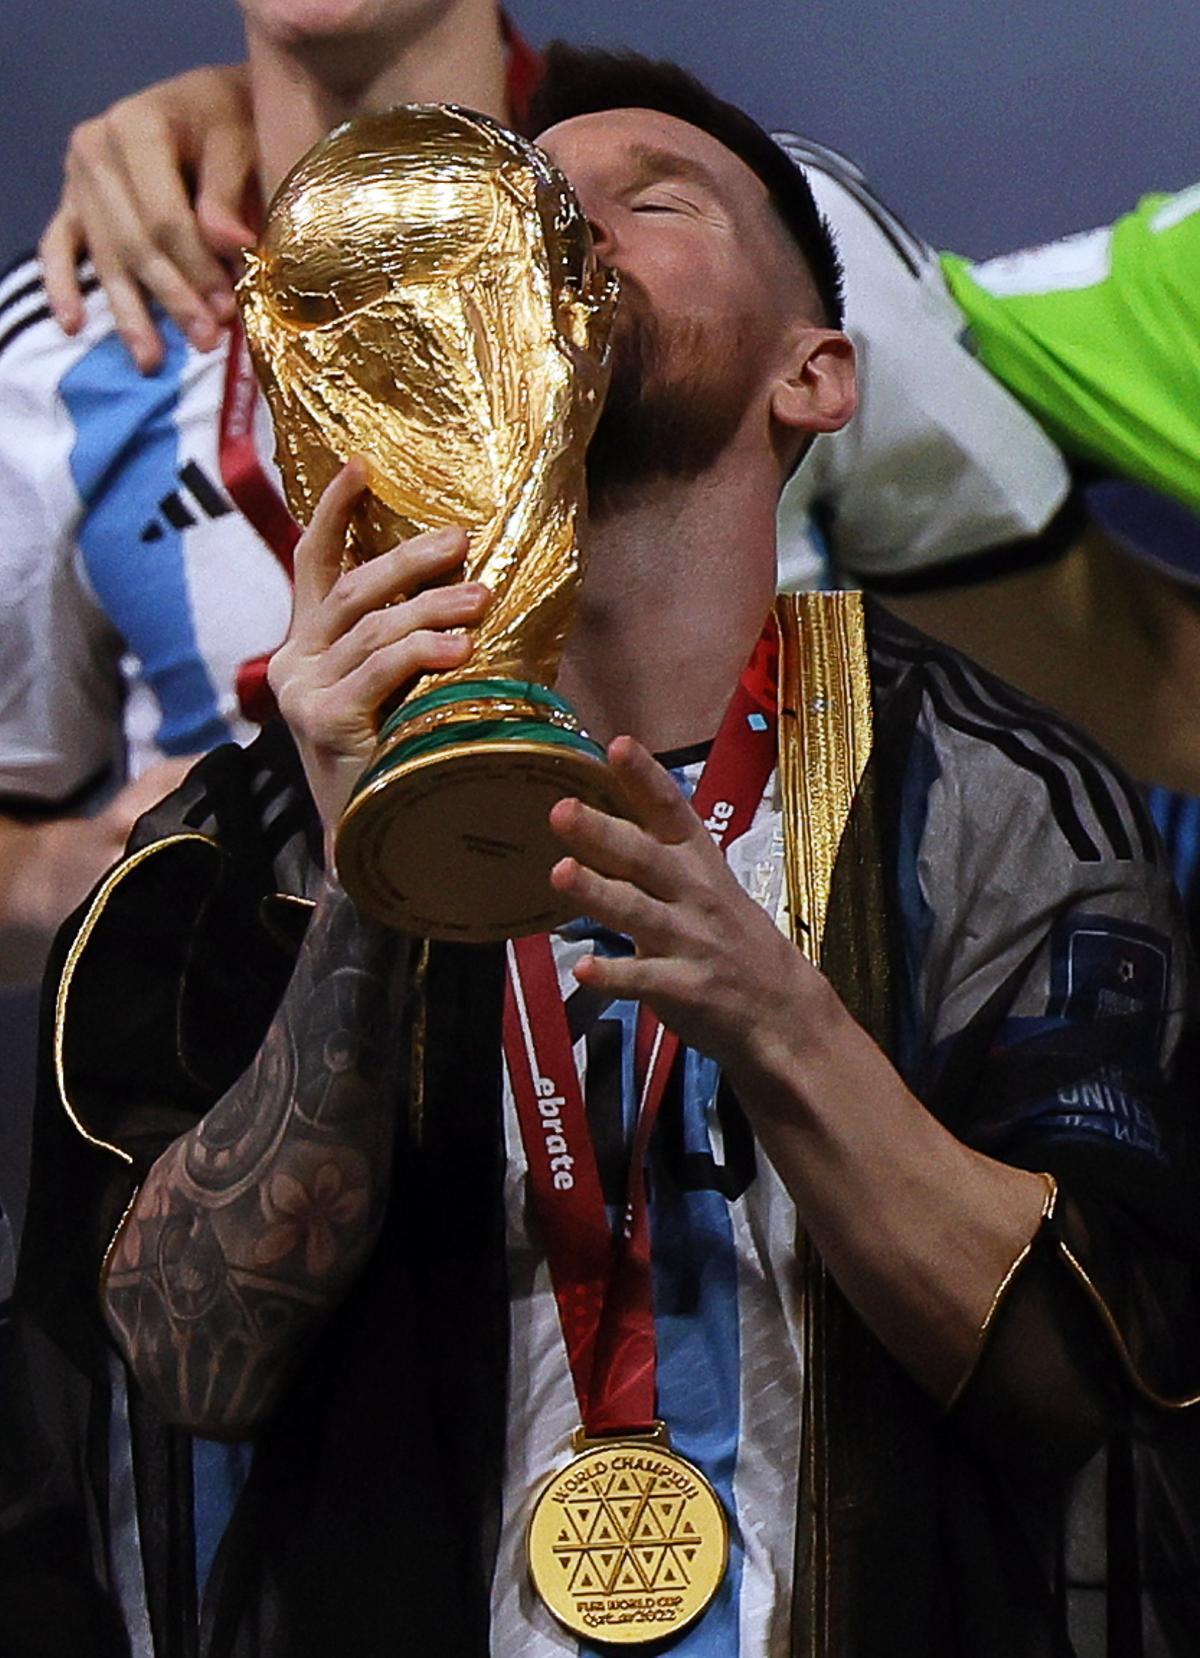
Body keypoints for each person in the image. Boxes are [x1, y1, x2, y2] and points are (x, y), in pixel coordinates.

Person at [5, 44, 1198, 1658]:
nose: (563, 233)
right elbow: (181, 1368)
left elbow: (1102, 1384)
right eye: (527, 211)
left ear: (818, 375)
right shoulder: (233, 839)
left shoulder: (1005, 802)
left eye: (651, 199)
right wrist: (373, 879)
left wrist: (783, 1025)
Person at [0, 0, 541, 986]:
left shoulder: (718, 237)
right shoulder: (65, 334)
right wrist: (53, 871)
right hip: (261, 1096)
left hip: (689, 1098)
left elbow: (921, 612)